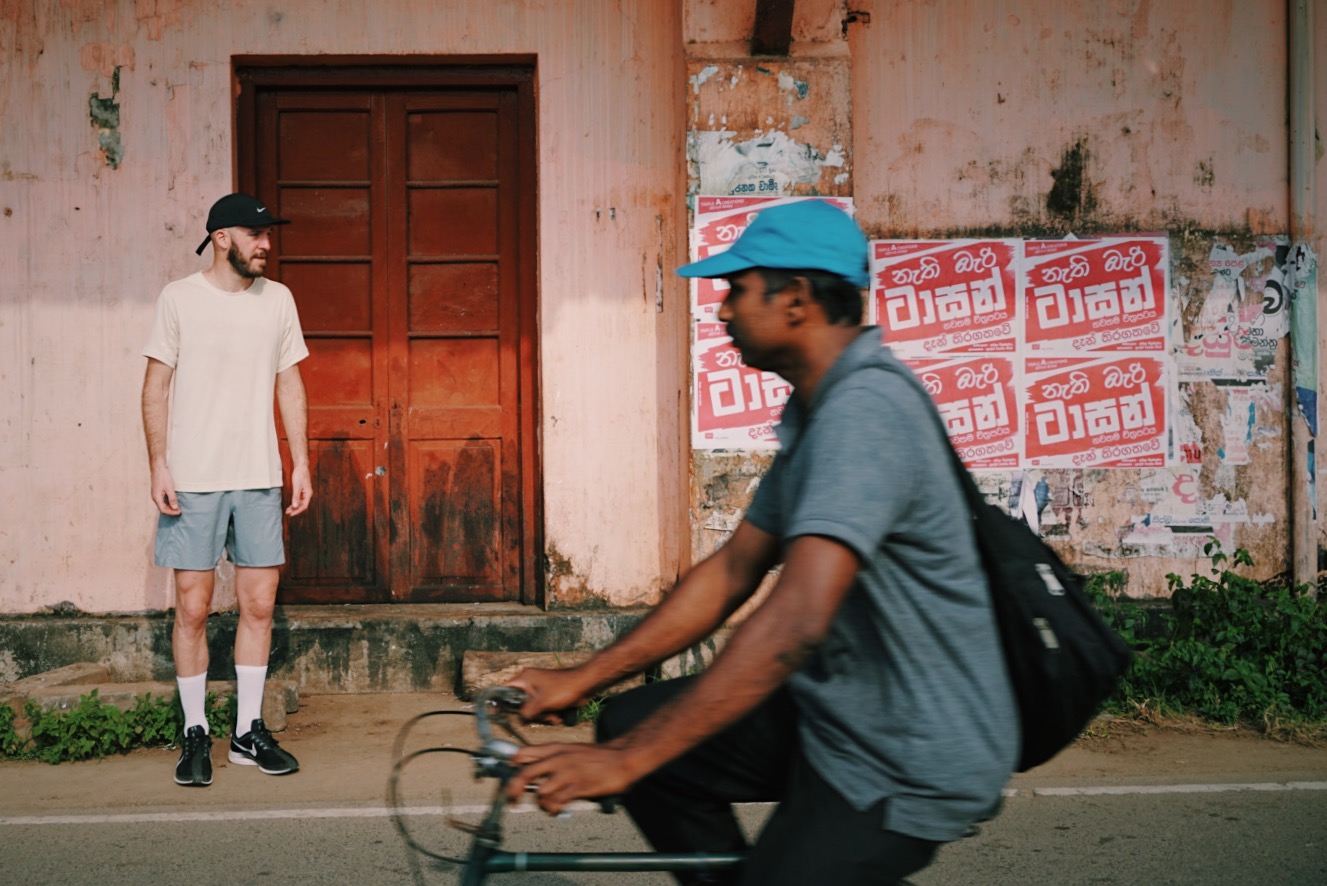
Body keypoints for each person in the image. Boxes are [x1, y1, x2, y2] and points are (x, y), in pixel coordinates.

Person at [505, 200, 1018, 885]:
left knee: (649, 756)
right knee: (631, 720)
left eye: (736, 290)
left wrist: (627, 763)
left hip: (910, 748)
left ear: (796, 299)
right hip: (840, 710)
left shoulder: (866, 412)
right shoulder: (817, 410)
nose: (722, 311)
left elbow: (795, 621)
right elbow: (732, 572)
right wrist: (585, 678)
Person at [141, 193, 312, 787]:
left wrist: (300, 462)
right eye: (254, 234)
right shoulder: (178, 299)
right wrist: (158, 464)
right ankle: (195, 731)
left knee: (259, 606)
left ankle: (246, 732)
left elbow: (289, 384)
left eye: (268, 234)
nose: (266, 243)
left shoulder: (278, 300)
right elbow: (155, 386)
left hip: (259, 477)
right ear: (220, 238)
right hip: (193, 480)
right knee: (192, 608)